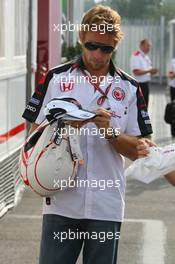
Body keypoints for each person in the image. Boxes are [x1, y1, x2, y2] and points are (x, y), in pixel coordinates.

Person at [22, 5, 153, 264]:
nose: (97, 54)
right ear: (81, 38)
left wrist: (111, 132)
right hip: (61, 200)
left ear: (115, 45)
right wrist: (65, 128)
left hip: (107, 204)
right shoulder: (56, 79)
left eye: (106, 48)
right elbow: (33, 135)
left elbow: (139, 149)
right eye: (92, 45)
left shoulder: (129, 87)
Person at [130, 39, 159, 108]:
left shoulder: (146, 57)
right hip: (139, 85)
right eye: (147, 45)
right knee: (139, 107)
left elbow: (147, 71)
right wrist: (149, 71)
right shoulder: (136, 55)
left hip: (145, 84)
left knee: (145, 106)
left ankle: (143, 119)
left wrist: (152, 72)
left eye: (149, 46)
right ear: (141, 46)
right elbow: (136, 72)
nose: (149, 48)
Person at [168, 57, 175, 136]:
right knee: (173, 110)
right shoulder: (173, 61)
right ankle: (173, 132)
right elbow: (169, 75)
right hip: (173, 88)